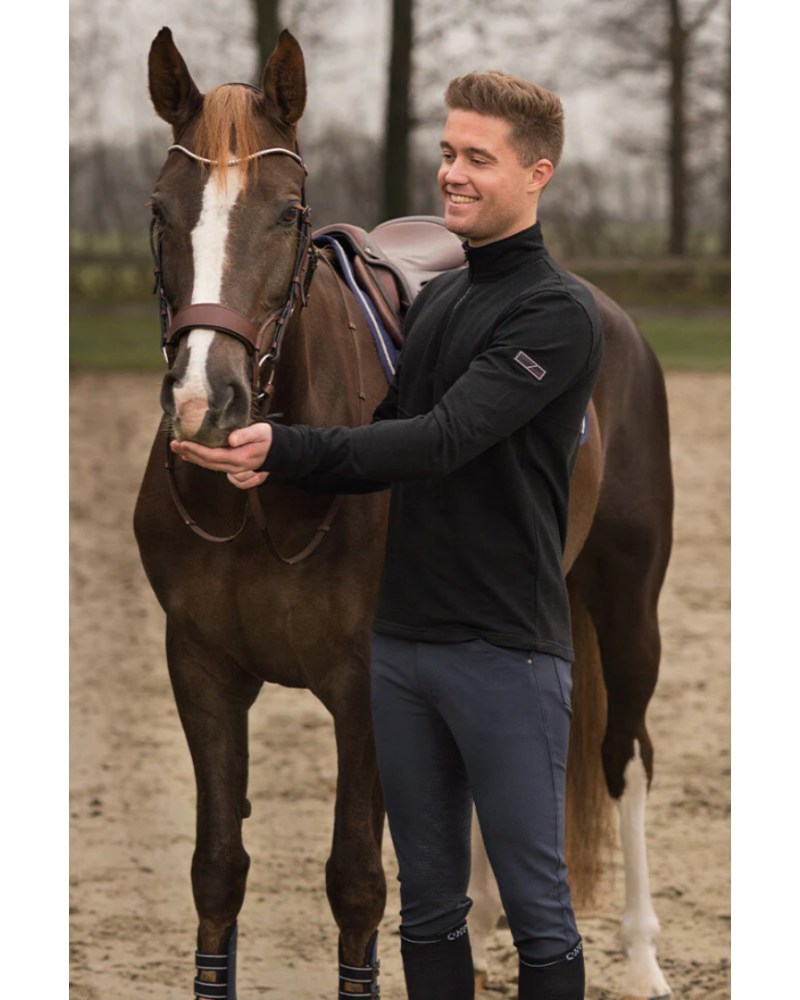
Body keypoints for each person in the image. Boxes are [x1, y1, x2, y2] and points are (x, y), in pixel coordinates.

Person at [173, 71, 603, 1000]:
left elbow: (443, 441)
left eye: (477, 159)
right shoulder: (440, 304)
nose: (452, 174)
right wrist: (268, 457)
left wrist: (285, 445)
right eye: (448, 153)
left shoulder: (556, 314)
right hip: (404, 649)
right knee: (429, 910)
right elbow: (372, 449)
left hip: (506, 652)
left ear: (538, 175)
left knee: (535, 910)